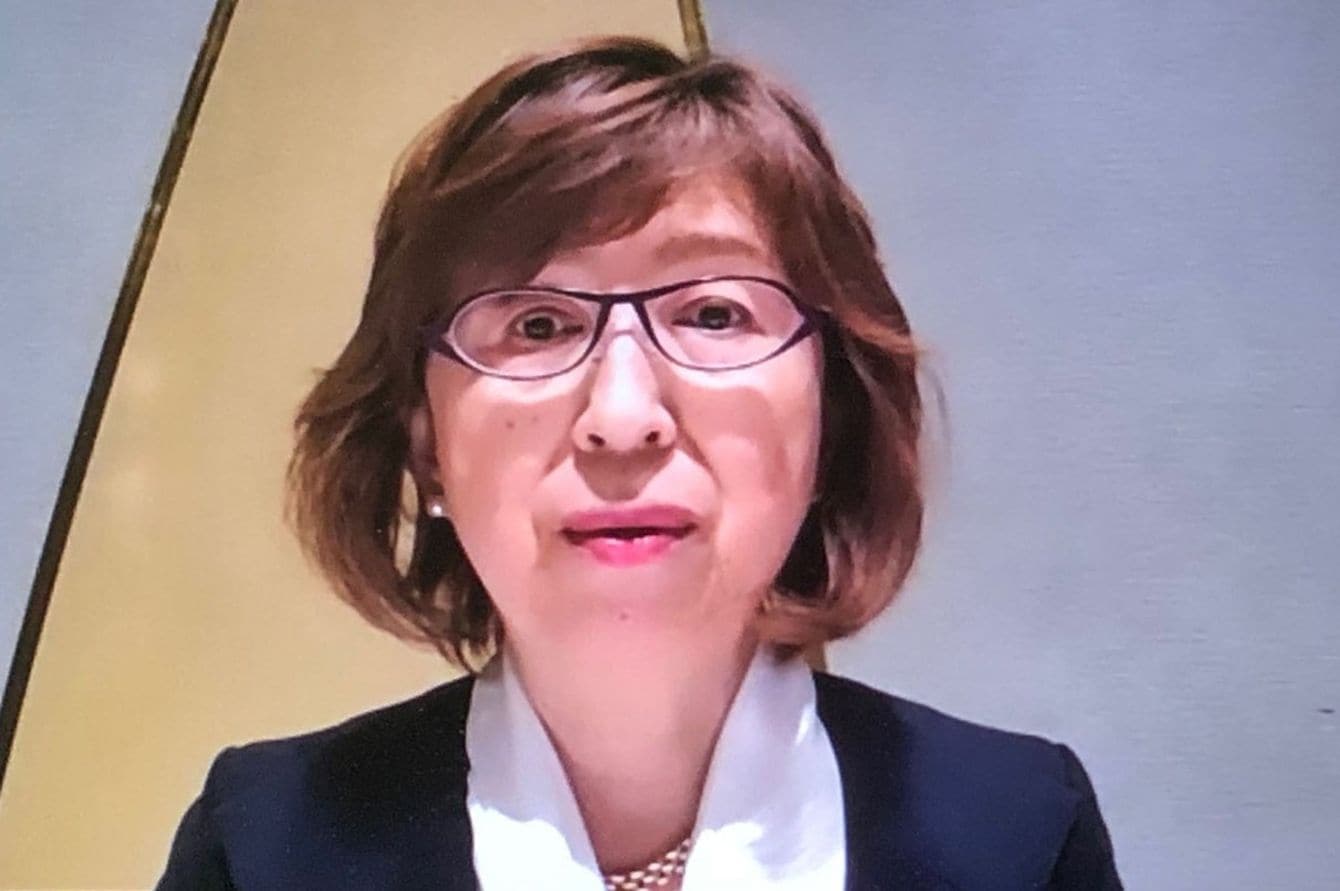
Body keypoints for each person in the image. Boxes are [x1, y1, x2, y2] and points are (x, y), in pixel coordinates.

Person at [157, 35, 1121, 890]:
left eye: (713, 313)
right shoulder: (264, 848)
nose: (622, 420)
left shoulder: (1017, 838)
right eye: (537, 324)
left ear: (831, 417)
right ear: (424, 439)